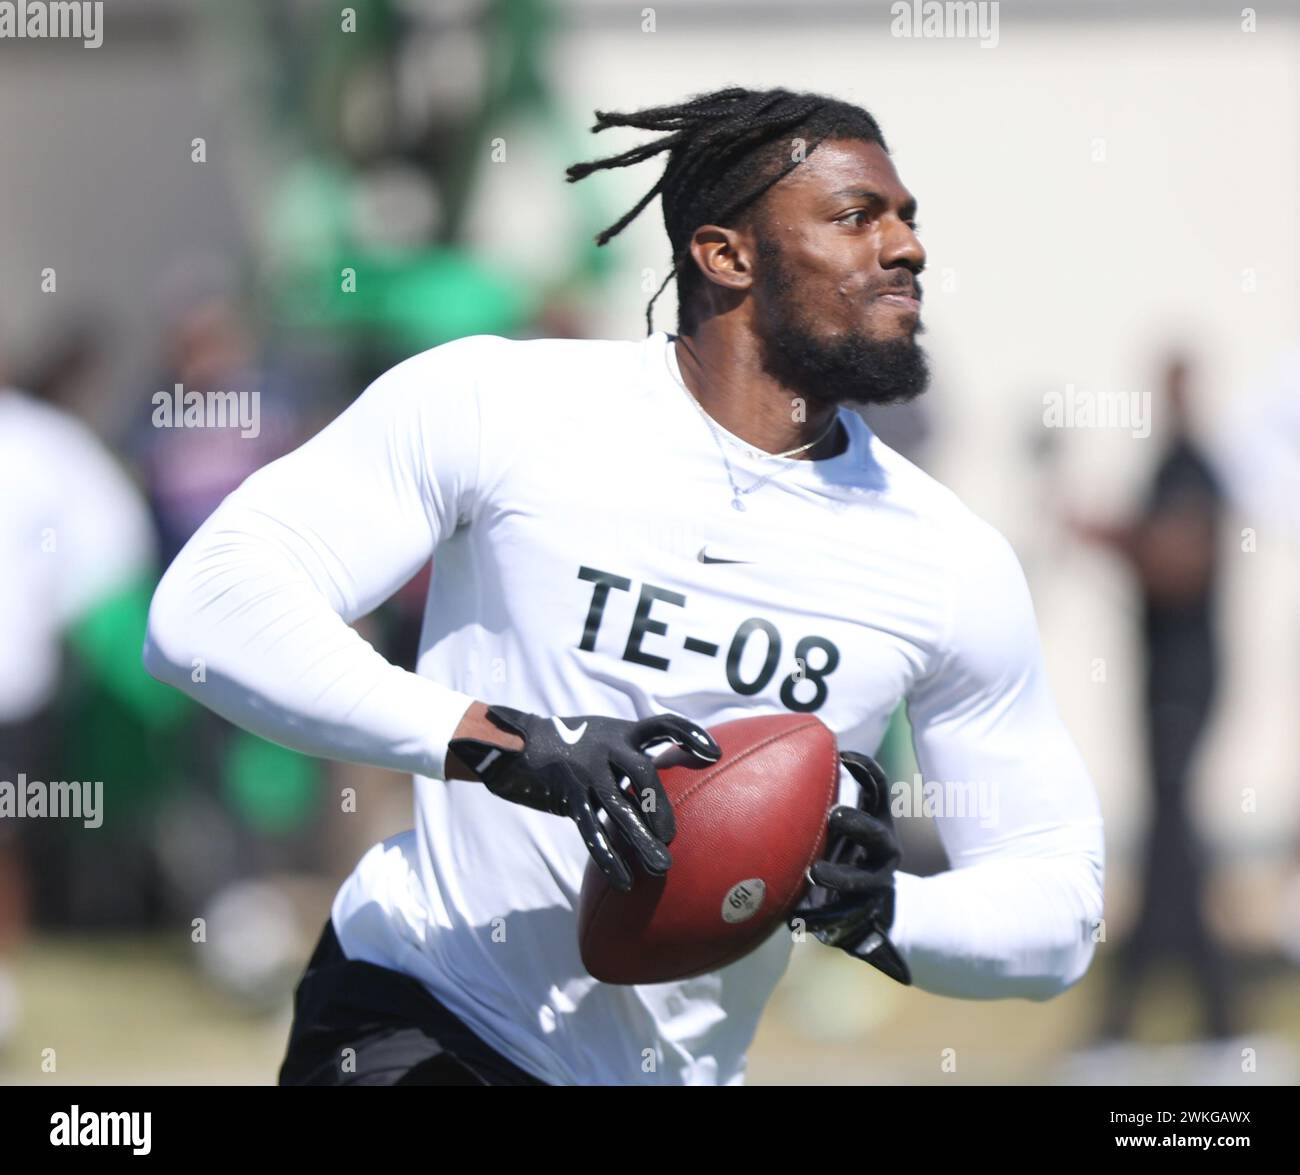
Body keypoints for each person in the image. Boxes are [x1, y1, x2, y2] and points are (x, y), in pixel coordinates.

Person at [142, 86, 1105, 1086]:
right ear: (724, 253)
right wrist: (503, 743)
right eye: (857, 217)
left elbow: (1060, 903)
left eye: (907, 220)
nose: (904, 247)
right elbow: (206, 607)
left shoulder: (948, 556)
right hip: (422, 1009)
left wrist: (884, 908)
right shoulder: (500, 402)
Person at [1070, 355, 1233, 1040]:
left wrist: (1108, 535)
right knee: (1170, 842)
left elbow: (1183, 564)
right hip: (1159, 682)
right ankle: (1213, 1019)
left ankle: (1137, 1016)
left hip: (1185, 684)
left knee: (1172, 842)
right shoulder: (1166, 465)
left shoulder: (1195, 467)